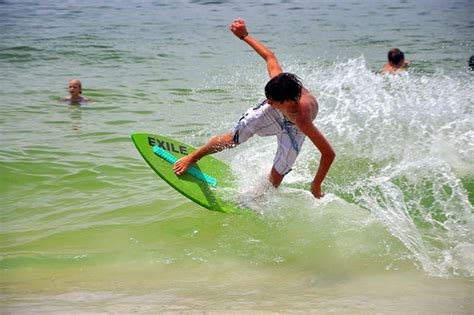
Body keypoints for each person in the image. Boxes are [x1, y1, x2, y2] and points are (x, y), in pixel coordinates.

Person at [173, 18, 335, 199]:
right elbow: (269, 56)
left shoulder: (303, 119)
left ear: (289, 101)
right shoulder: (279, 87)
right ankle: (193, 157)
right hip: (277, 114)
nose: (267, 102)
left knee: (279, 172)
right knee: (232, 139)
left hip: (295, 127)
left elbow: (328, 154)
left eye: (273, 100)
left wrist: (316, 184)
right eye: (268, 98)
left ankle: (261, 197)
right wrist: (244, 35)